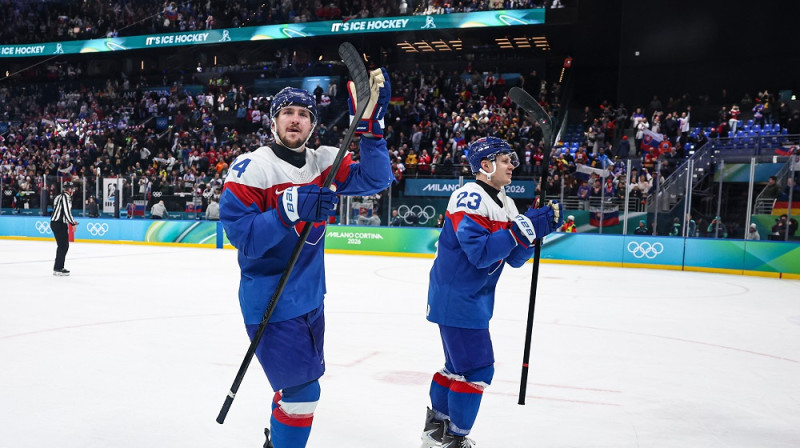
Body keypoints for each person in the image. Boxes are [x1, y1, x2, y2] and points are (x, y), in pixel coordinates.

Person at [219, 71, 393, 448]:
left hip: (311, 299)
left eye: (303, 113)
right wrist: (289, 207)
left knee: (297, 390)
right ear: (273, 121)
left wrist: (371, 130)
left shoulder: (324, 161)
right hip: (271, 301)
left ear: (313, 124)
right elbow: (244, 238)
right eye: (287, 112)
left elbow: (378, 179)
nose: (295, 119)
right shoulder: (251, 168)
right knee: (303, 395)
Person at [420, 137, 561, 448]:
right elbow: (480, 254)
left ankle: (435, 432)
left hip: (473, 297)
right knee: (478, 369)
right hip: (456, 295)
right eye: (505, 159)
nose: (513, 164)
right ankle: (454, 439)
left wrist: (535, 233)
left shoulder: (506, 202)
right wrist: (520, 229)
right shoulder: (468, 196)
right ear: (485, 165)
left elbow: (513, 259)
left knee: (456, 368)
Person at [51, 182, 78, 276]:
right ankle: (58, 268)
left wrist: (71, 221)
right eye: (72, 188)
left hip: (56, 223)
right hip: (59, 224)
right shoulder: (66, 197)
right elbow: (67, 212)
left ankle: (58, 267)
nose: (73, 190)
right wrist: (72, 223)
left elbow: (61, 210)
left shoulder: (58, 197)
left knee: (62, 246)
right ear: (69, 189)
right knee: (63, 246)